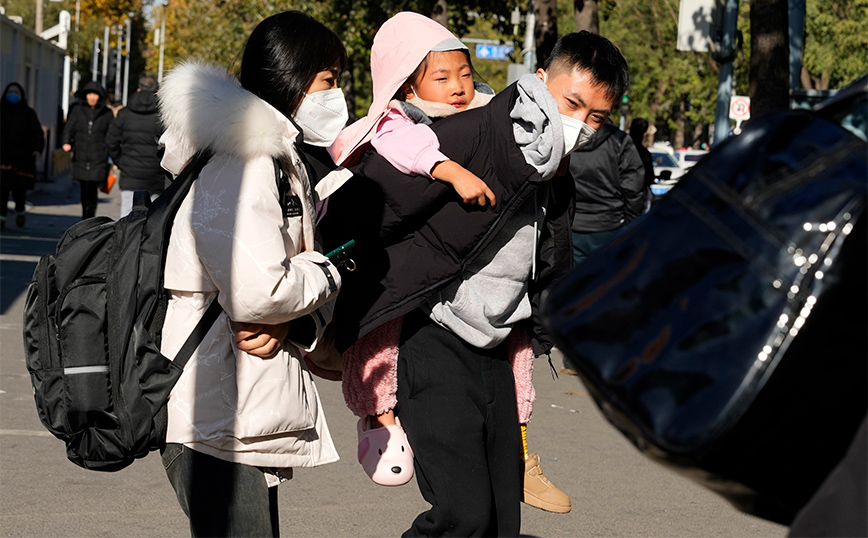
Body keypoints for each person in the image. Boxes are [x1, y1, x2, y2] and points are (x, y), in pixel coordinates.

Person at [321, 29, 630, 535]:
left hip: (501, 344)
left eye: (595, 117)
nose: (577, 124)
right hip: (433, 334)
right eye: (570, 104)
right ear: (539, 81)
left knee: (499, 520)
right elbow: (372, 212)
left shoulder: (555, 170)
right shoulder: (471, 131)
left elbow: (548, 257)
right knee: (461, 516)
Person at [156, 11, 352, 537]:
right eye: (328, 80)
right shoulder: (246, 159)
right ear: (291, 75)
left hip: (233, 408)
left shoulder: (269, 155)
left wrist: (298, 312)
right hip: (212, 410)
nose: (336, 96)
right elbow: (260, 293)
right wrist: (326, 271)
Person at [569, 118, 646, 267]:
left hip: (573, 224)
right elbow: (634, 189)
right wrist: (630, 223)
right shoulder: (619, 140)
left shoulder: (568, 137)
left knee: (574, 283)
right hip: (609, 224)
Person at [106, 74, 166, 218]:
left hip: (130, 174)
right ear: (157, 91)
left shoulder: (124, 114)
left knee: (127, 215)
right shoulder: (162, 116)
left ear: (138, 89)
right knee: (153, 217)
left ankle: (125, 240)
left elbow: (110, 141)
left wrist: (120, 162)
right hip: (155, 174)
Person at [61, 81, 113, 219]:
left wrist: (112, 154)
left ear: (100, 97)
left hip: (99, 157)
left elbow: (111, 134)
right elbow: (69, 128)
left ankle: (90, 217)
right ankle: (86, 216)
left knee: (93, 189)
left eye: (95, 95)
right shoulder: (77, 110)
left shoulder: (106, 113)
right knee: (84, 188)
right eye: (90, 94)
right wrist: (66, 142)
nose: (92, 97)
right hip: (81, 156)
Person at [0, 82, 44, 230]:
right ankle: (1, 218)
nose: (13, 94)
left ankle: (20, 211)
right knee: (1, 191)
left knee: (19, 191)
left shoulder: (28, 113)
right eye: (10, 91)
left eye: (16, 92)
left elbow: (37, 133)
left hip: (21, 161)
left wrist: (37, 149)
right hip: (2, 159)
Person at [629, 117, 655, 208]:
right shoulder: (644, 154)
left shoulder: (616, 150)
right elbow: (650, 177)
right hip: (638, 199)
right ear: (644, 134)